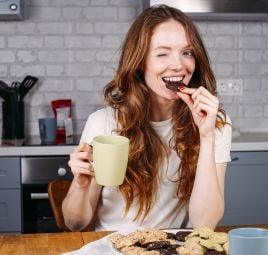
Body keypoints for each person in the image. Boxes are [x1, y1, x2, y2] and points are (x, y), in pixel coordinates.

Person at [62, 4, 232, 232]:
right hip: (111, 247)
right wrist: (82, 185)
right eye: (162, 53)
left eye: (187, 52)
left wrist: (207, 135)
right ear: (140, 63)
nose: (178, 65)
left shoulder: (214, 122)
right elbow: (75, 223)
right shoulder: (103, 123)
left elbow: (204, 224)